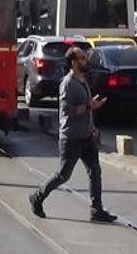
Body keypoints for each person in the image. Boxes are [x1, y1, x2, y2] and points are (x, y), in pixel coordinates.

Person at [29, 47, 117, 223]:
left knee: (95, 172)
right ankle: (37, 196)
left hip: (87, 137)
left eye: (85, 57)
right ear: (74, 62)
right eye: (82, 58)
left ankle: (96, 209)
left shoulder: (82, 79)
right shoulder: (68, 83)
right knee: (64, 174)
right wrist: (90, 106)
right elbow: (67, 110)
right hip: (71, 138)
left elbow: (87, 108)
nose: (86, 61)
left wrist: (92, 127)